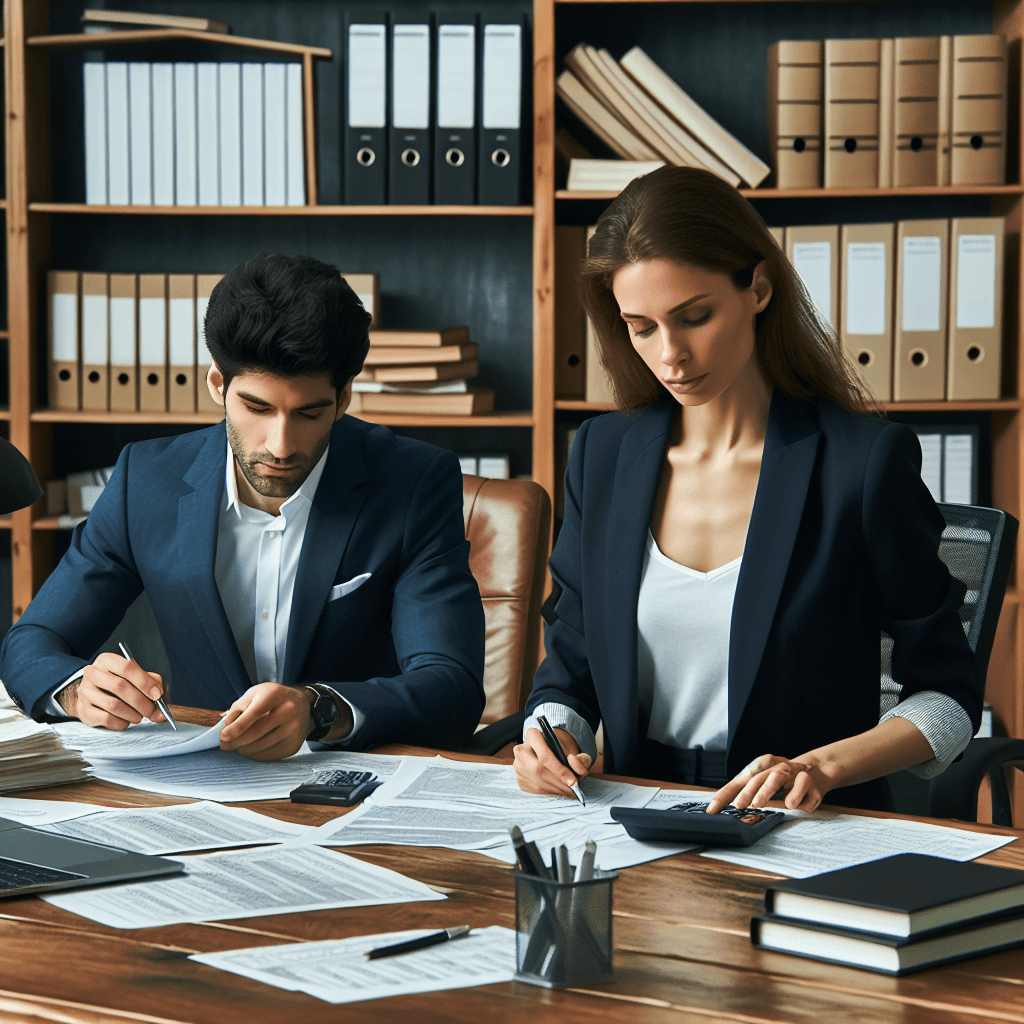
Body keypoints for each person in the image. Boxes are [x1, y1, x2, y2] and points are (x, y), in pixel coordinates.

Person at [514, 167, 979, 813]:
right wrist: (550, 735)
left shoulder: (862, 464)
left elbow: (949, 699)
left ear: (758, 287)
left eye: (694, 317)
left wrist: (821, 766)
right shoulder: (603, 454)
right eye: (642, 327)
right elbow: (570, 667)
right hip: (634, 811)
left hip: (806, 821)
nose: (670, 354)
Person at [2, 252, 486, 760]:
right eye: (257, 407)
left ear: (343, 397)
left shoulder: (414, 483)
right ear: (218, 384)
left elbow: (451, 688)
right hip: (195, 777)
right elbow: (31, 642)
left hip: (350, 778)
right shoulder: (145, 481)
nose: (280, 445)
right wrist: (76, 689)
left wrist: (319, 709)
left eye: (309, 413)